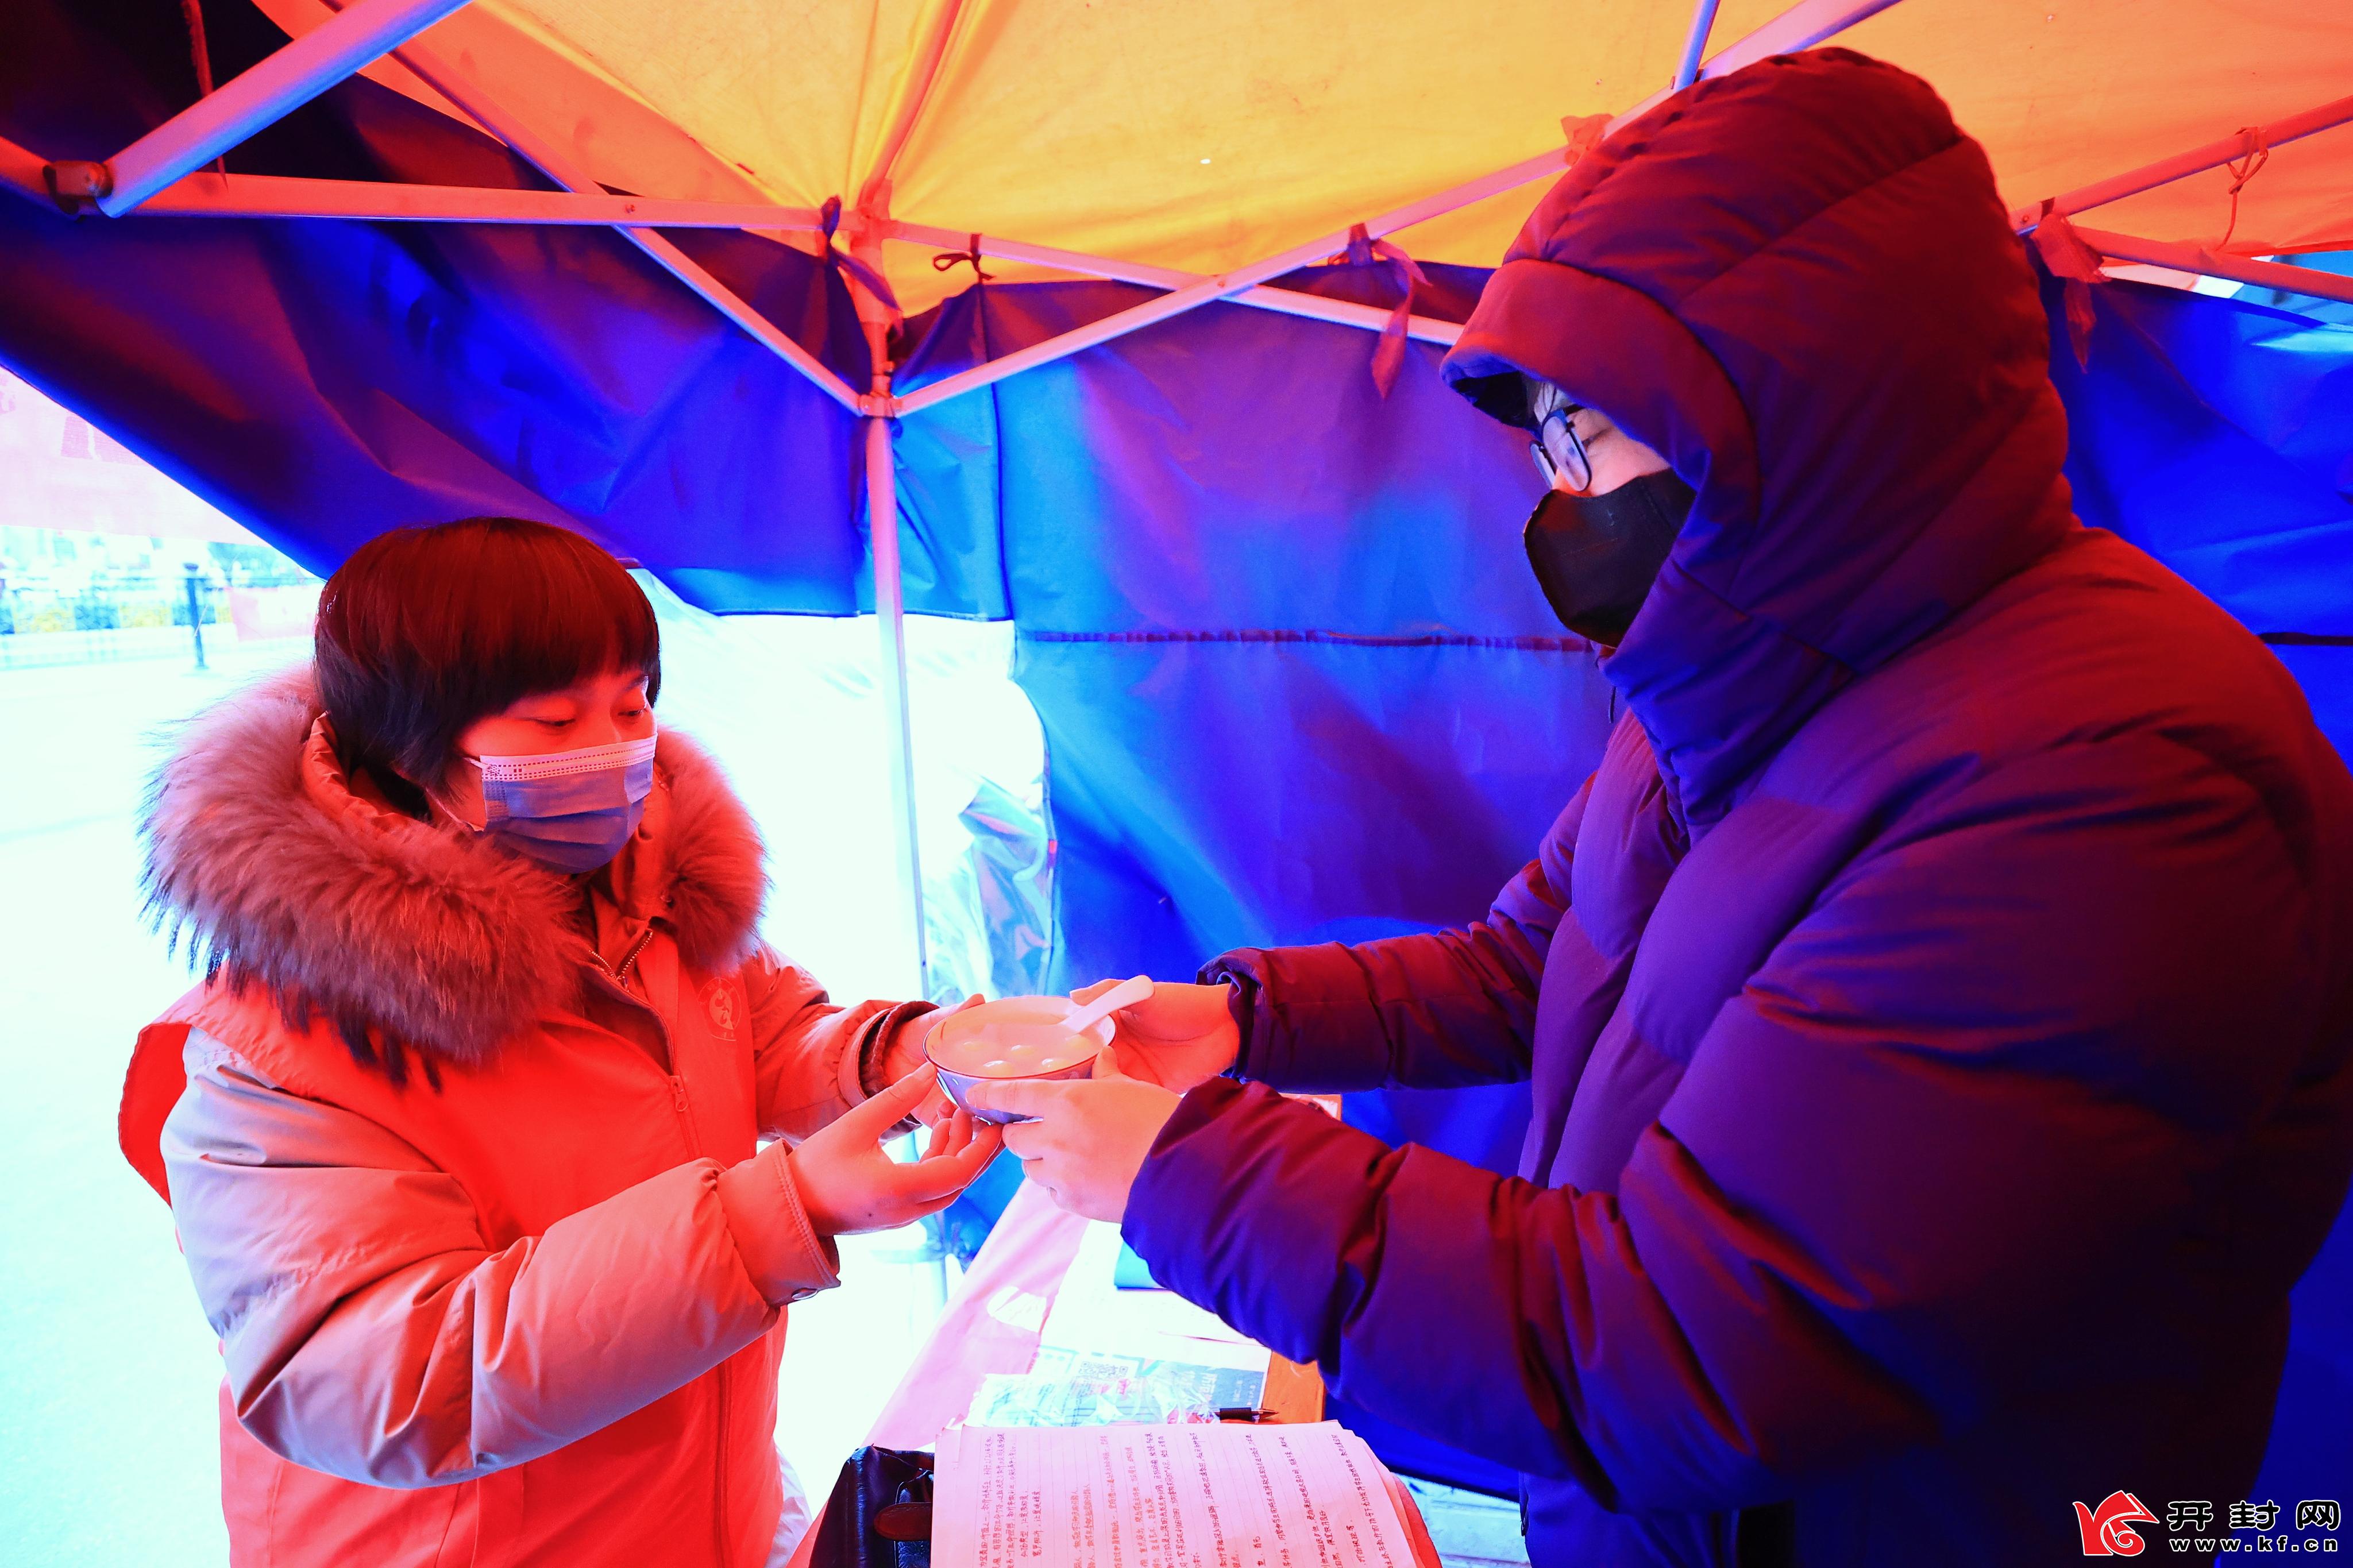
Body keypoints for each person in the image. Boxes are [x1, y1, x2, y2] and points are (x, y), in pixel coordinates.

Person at [966, 49, 2353, 1567]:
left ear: (1785, 411)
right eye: (1547, 439)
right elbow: (1526, 964)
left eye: (1589, 432)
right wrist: (1249, 1019)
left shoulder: (2113, 789)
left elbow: (1696, 1349)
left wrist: (1191, 1171)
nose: (1560, 496)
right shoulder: (1740, 674)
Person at [117, 516, 1000, 1568]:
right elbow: (385, 1381)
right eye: (553, 719)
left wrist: (906, 1053)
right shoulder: (278, 1042)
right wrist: (787, 1210)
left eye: (632, 705)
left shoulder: (657, 903)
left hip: (694, 1517)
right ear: (410, 744)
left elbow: (769, 1039)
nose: (614, 749)